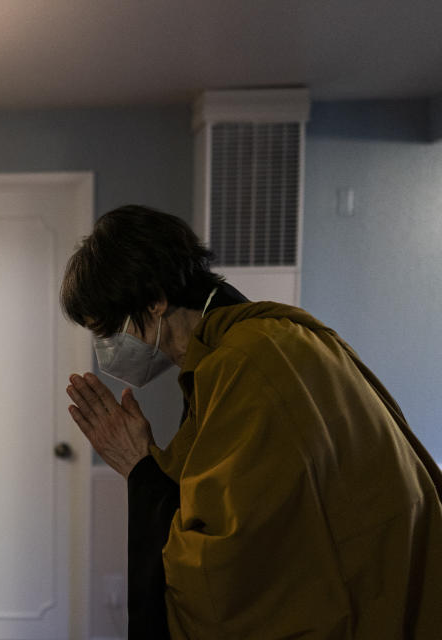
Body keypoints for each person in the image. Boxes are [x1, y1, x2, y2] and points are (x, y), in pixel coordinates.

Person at [61, 205, 442, 639]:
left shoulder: (249, 358)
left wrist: (139, 469)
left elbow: (231, 566)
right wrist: (146, 463)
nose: (106, 348)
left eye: (107, 330)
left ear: (155, 301)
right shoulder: (250, 343)